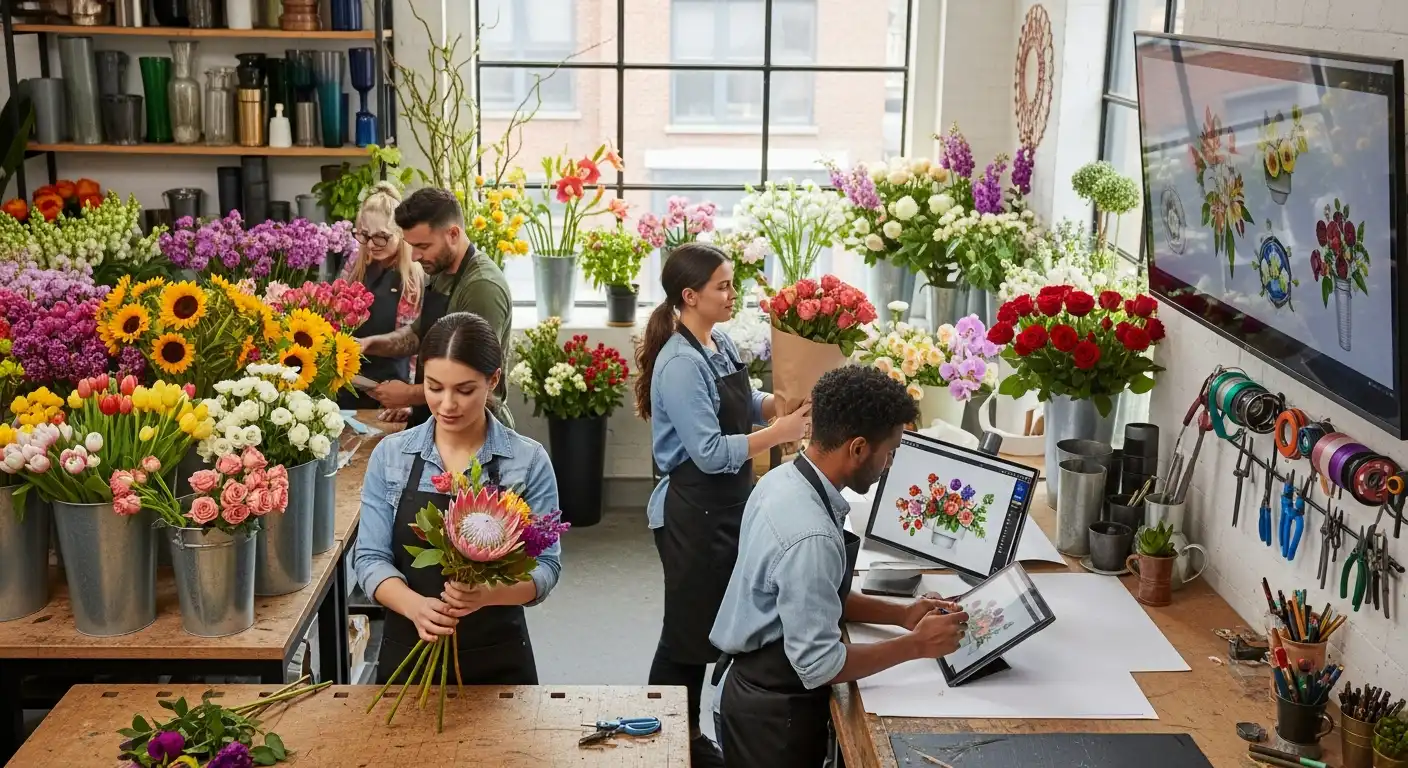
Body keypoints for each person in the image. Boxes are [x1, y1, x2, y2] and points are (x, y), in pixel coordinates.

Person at [710, 365, 970, 767]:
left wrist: (902, 615)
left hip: (753, 685)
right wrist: (917, 645)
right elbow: (819, 665)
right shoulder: (811, 536)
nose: (889, 464)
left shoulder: (783, 480)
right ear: (858, 448)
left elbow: (814, 597)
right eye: (890, 452)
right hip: (773, 717)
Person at [635, 242, 812, 767]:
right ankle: (667, 740)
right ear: (690, 296)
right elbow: (710, 454)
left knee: (710, 626)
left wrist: (775, 405)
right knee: (686, 635)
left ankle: (683, 736)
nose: (733, 294)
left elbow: (744, 402)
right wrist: (777, 432)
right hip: (693, 513)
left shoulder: (721, 344)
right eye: (723, 286)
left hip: (728, 507)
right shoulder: (680, 363)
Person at [353, 312, 560, 685]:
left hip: (500, 659)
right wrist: (415, 607)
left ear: (493, 380)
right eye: (434, 387)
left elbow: (546, 568)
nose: (447, 404)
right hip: (409, 654)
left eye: (464, 390)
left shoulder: (526, 461)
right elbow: (369, 559)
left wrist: (488, 593)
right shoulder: (392, 455)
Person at [358, 187, 514, 429]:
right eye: (412, 246)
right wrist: (370, 344)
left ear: (453, 234)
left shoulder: (481, 287)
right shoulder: (442, 272)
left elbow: (471, 380)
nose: (415, 257)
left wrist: (409, 395)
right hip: (443, 420)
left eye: (423, 246)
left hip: (477, 431)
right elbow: (417, 335)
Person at [337, 181, 424, 420]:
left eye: (381, 237)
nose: (372, 245)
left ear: (401, 234)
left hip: (391, 397)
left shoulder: (412, 276)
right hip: (347, 388)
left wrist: (409, 400)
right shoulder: (355, 265)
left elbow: (416, 345)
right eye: (364, 235)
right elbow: (334, 322)